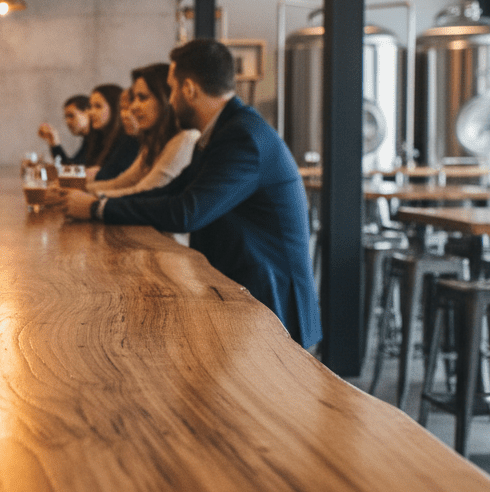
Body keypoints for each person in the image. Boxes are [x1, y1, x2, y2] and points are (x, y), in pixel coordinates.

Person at [66, 40, 321, 349]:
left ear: (189, 89)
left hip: (273, 304)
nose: (171, 100)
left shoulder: (241, 136)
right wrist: (99, 206)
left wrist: (98, 209)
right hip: (244, 291)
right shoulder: (224, 130)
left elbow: (188, 212)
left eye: (171, 90)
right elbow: (172, 190)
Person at [90, 64, 199, 197]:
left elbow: (146, 192)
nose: (133, 108)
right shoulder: (154, 141)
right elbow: (120, 183)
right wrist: (74, 192)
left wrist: (91, 199)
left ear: (165, 98)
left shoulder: (185, 138)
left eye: (142, 98)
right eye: (133, 99)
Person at [85, 84, 140, 182]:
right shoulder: (98, 137)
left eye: (98, 106)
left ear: (114, 108)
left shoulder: (128, 139)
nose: (90, 112)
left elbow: (106, 177)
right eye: (90, 106)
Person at [38, 95, 91, 165]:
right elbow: (70, 167)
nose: (67, 121)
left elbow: (73, 168)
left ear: (88, 113)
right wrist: (54, 142)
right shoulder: (88, 140)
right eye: (66, 117)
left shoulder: (98, 141)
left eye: (71, 116)